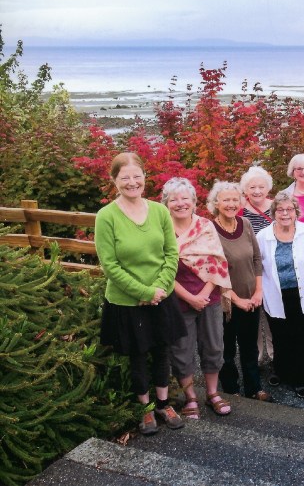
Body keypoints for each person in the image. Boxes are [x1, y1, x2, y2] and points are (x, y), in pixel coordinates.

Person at [95, 152, 186, 435]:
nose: (132, 182)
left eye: (137, 176)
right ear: (114, 180)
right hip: (127, 301)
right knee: (137, 354)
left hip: (161, 295)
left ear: (145, 177)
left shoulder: (159, 211)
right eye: (125, 178)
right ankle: (144, 409)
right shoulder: (106, 216)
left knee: (162, 351)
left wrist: (159, 289)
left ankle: (163, 404)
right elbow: (109, 265)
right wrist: (144, 292)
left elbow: (171, 254)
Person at [162, 177, 233, 418]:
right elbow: (160, 270)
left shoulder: (205, 226)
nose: (180, 203)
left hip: (209, 298)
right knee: (181, 350)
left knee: (213, 346)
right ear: (166, 203)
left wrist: (202, 294)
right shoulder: (162, 230)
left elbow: (218, 263)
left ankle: (212, 393)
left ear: (194, 202)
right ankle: (190, 397)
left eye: (185, 198)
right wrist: (189, 297)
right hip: (177, 300)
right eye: (174, 199)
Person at [257, 191, 304, 398]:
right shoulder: (263, 236)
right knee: (280, 335)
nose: (285, 213)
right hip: (275, 293)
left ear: (296, 212)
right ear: (274, 213)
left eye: (289, 209)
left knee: (302, 336)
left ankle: (301, 378)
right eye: (280, 210)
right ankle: (281, 371)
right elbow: (257, 266)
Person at [209, 181, 271, 402]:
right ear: (216, 203)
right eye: (226, 199)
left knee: (249, 346)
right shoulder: (210, 230)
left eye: (235, 199)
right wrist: (237, 300)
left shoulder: (245, 223)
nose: (231, 204)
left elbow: (256, 259)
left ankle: (254, 388)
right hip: (225, 301)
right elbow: (213, 271)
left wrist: (258, 291)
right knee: (226, 348)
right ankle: (231, 389)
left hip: (251, 298)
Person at [239, 166, 275, 366]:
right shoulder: (239, 209)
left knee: (272, 312)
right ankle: (256, 355)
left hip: (272, 268)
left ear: (268, 188)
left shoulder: (276, 207)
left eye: (261, 186)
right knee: (253, 313)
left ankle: (274, 352)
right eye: (252, 187)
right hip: (249, 269)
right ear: (246, 189)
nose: (257, 191)